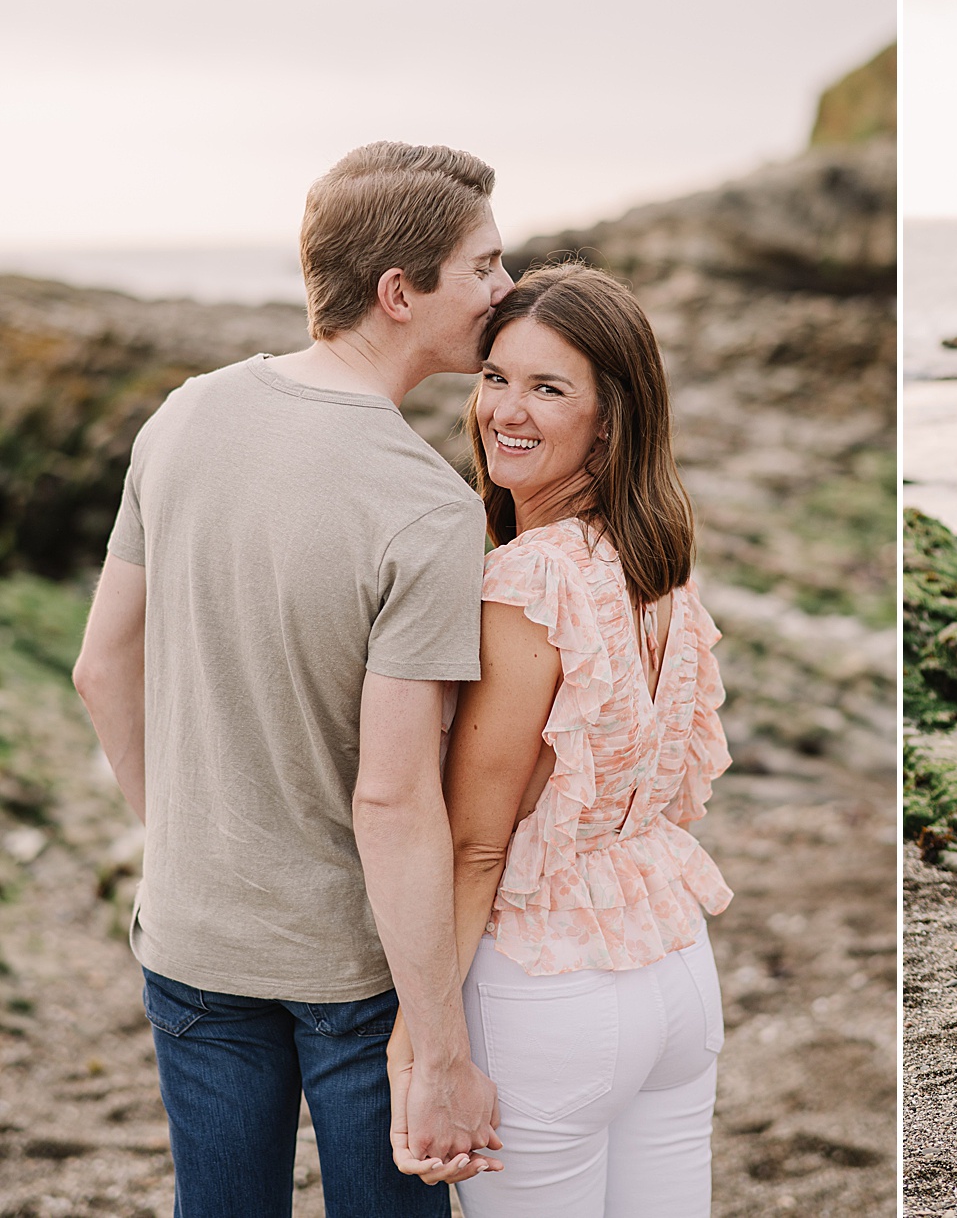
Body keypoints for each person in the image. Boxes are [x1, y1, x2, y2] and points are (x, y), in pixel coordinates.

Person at [71, 141, 513, 1214]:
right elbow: (393, 794)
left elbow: (98, 667)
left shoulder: (182, 416)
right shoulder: (426, 507)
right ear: (398, 292)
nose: (508, 292)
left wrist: (182, 841)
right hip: (356, 973)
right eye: (486, 267)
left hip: (192, 932)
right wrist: (444, 1048)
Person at [386, 261, 732, 1215]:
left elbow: (478, 842)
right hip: (673, 975)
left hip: (550, 994)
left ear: (610, 417)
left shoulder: (527, 582)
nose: (507, 410)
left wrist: (417, 1042)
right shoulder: (660, 563)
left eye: (548, 388)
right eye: (496, 376)